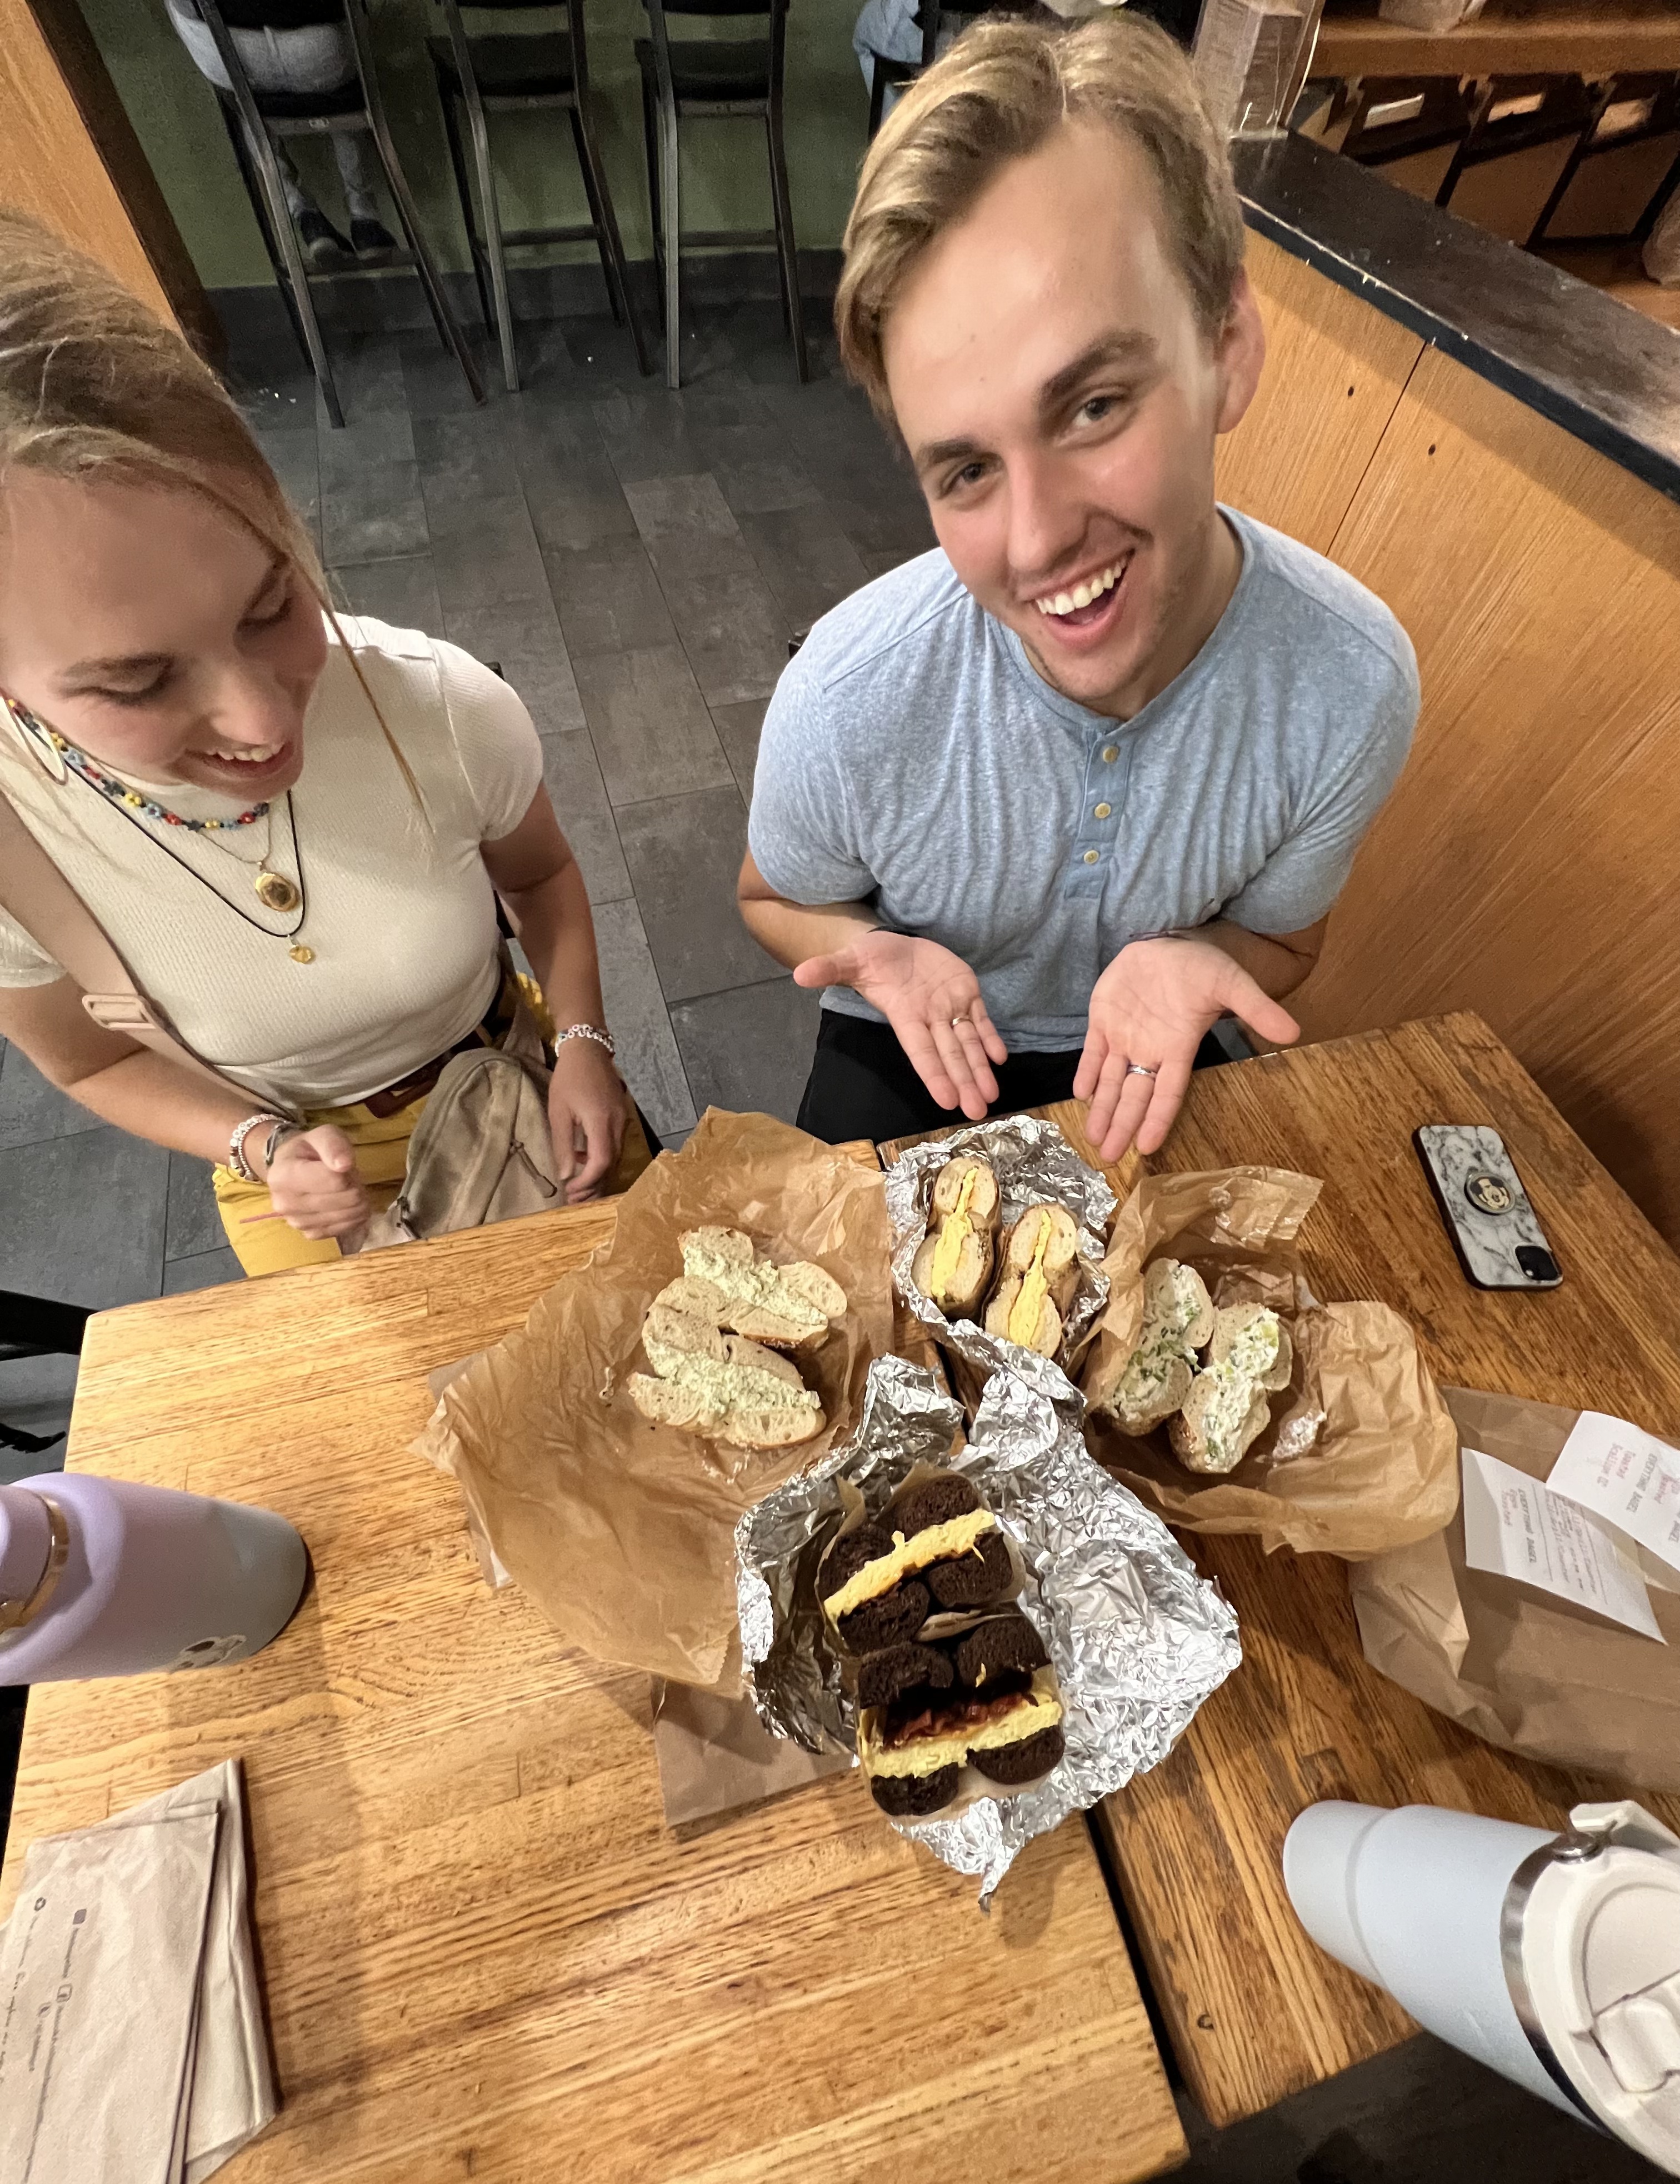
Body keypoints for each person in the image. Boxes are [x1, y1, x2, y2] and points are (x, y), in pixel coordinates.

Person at [739, 15, 1420, 1162]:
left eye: (1093, 406)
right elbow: (771, 896)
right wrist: (881, 958)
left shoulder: (1349, 687)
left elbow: (1285, 943)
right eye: (966, 470)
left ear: (1227, 347)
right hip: (910, 1035)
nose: (1039, 540)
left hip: (1155, 1043)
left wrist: (1204, 960)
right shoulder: (848, 696)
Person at [0, 211, 639, 1276]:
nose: (263, 725)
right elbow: (88, 1059)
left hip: (507, 1072)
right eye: (138, 680)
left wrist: (581, 1040)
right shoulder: (17, 852)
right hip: (280, 1161)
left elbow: (539, 874)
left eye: (273, 603)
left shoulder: (433, 703)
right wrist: (259, 1146)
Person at [164, 0, 397, 270]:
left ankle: (305, 216)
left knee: (245, 103)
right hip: (321, 51)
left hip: (226, 55)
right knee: (345, 88)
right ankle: (365, 217)